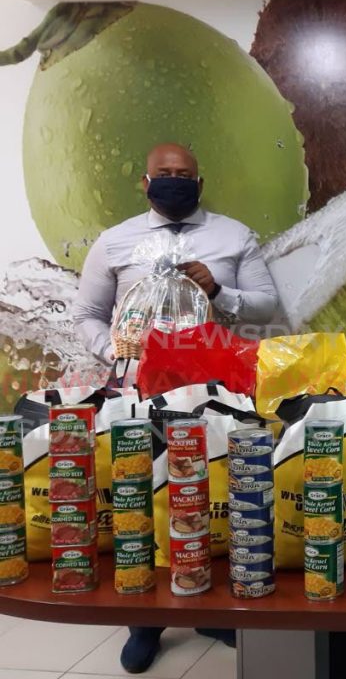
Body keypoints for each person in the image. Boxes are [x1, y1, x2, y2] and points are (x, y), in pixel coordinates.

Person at [72, 142, 280, 674]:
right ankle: (144, 619)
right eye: (164, 173)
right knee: (144, 494)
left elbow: (266, 303)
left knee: (213, 493)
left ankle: (211, 605)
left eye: (184, 174)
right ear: (145, 182)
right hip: (141, 391)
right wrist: (122, 351)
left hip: (215, 389)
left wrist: (221, 292)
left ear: (200, 183)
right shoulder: (116, 241)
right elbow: (88, 316)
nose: (174, 180)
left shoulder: (232, 236)